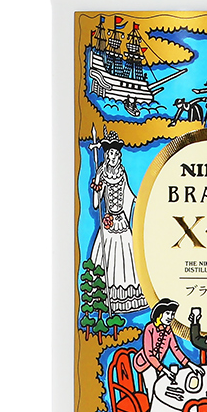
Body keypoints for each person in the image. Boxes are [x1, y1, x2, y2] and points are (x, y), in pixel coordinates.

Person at [90, 130, 147, 313]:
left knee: (125, 260)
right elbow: (96, 204)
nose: (111, 157)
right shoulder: (102, 174)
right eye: (109, 154)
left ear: (119, 156)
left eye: (114, 154)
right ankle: (104, 300)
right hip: (108, 222)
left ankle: (124, 301)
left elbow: (128, 193)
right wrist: (97, 183)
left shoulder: (122, 173)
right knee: (107, 259)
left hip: (121, 221)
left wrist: (138, 200)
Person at [134, 299, 203, 396]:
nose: (170, 317)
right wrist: (164, 370)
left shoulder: (168, 329)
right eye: (167, 313)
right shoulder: (150, 328)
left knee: (164, 384)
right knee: (152, 389)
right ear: (160, 314)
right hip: (145, 363)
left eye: (172, 314)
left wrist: (191, 365)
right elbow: (149, 354)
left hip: (159, 364)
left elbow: (176, 349)